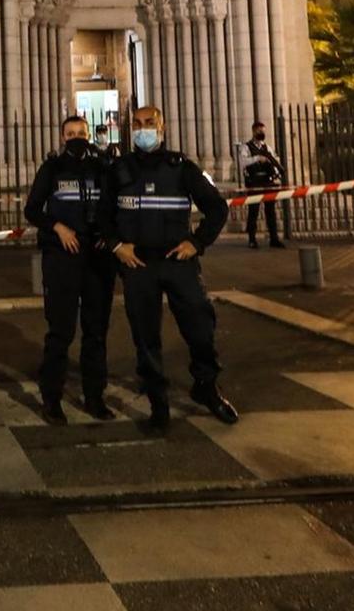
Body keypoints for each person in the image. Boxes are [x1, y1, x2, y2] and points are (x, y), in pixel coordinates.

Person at [101, 105, 237, 430]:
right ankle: (158, 403)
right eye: (137, 124)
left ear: (162, 128)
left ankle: (206, 386)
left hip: (178, 260)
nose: (142, 128)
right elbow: (104, 215)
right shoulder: (119, 168)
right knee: (145, 336)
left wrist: (198, 242)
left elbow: (216, 208)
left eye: (149, 123)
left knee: (200, 327)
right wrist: (117, 246)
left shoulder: (181, 167)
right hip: (138, 264)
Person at [23, 115, 116, 424]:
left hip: (96, 258)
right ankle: (52, 398)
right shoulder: (51, 168)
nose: (76, 137)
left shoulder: (102, 168)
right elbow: (32, 209)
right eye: (71, 133)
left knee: (96, 331)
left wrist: (108, 234)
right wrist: (57, 226)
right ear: (62, 137)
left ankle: (94, 396)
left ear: (89, 135)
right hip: (62, 257)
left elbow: (112, 207)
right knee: (61, 330)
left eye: (81, 133)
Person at [239, 120, 287, 249]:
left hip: (267, 182)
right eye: (259, 131)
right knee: (253, 211)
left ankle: (274, 238)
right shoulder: (246, 147)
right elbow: (242, 163)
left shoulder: (267, 147)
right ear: (254, 131)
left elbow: (274, 160)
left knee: (271, 211)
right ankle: (252, 239)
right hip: (254, 182)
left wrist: (276, 171)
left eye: (263, 131)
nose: (262, 133)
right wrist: (257, 158)